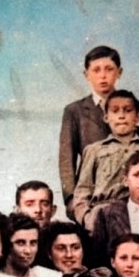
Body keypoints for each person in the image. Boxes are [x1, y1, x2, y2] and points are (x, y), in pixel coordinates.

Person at [72, 89, 139, 229]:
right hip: (103, 217)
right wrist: (88, 220)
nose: (121, 116)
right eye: (115, 111)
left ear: (138, 118)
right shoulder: (94, 150)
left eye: (128, 110)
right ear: (106, 117)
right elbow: (82, 192)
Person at [59, 45, 121, 211]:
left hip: (125, 192)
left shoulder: (133, 108)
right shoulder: (75, 111)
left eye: (109, 69)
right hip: (89, 192)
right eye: (96, 70)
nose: (103, 75)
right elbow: (66, 159)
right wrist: (71, 198)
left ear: (119, 72)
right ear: (86, 75)